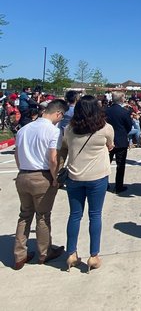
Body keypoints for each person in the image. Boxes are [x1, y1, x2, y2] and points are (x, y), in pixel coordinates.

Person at [60, 95, 115, 272]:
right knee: (95, 215)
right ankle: (94, 255)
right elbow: (110, 145)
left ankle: (71, 253)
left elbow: (65, 148)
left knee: (75, 215)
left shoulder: (69, 129)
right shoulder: (105, 128)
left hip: (75, 176)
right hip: (97, 176)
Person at [13, 99, 68, 270]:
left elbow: (16, 154)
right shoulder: (53, 131)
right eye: (61, 116)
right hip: (42, 176)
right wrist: (54, 178)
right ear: (58, 113)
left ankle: (19, 254)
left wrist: (22, 169)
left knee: (24, 215)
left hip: (23, 174)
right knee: (43, 216)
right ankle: (44, 252)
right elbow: (53, 158)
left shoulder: (24, 129)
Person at [105, 91, 133, 193]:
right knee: (120, 165)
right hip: (121, 141)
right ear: (121, 99)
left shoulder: (105, 111)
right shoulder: (124, 112)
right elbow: (129, 126)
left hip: (107, 141)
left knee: (105, 164)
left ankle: (104, 185)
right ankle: (118, 186)